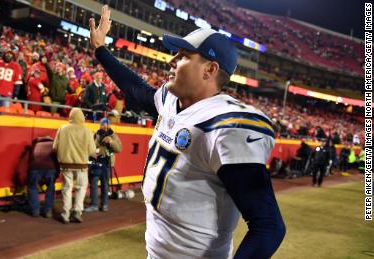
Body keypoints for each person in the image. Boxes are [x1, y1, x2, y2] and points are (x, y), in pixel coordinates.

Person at [89, 5, 285, 258]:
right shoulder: (171, 101)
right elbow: (137, 89)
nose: (171, 60)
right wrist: (101, 50)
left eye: (183, 55)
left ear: (210, 69)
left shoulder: (227, 125)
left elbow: (269, 227)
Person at [53, 108, 96, 224]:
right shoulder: (87, 131)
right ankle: (77, 211)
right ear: (82, 117)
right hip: (81, 165)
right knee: (81, 188)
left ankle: (66, 214)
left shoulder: (62, 129)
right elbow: (92, 150)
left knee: (67, 188)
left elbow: (54, 147)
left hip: (66, 165)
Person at [85, 118, 122, 212]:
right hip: (95, 163)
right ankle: (94, 204)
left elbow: (119, 149)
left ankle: (104, 204)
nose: (105, 126)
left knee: (105, 185)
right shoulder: (95, 135)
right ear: (100, 125)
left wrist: (111, 142)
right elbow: (89, 147)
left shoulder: (113, 136)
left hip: (107, 164)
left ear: (109, 125)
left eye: (106, 124)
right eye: (102, 124)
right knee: (93, 184)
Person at [27, 136, 58, 218]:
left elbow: (30, 159)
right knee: (50, 187)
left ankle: (35, 211)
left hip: (35, 168)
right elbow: (57, 159)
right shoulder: (54, 144)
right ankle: (48, 210)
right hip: (50, 168)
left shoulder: (35, 145)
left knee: (32, 187)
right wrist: (57, 173)